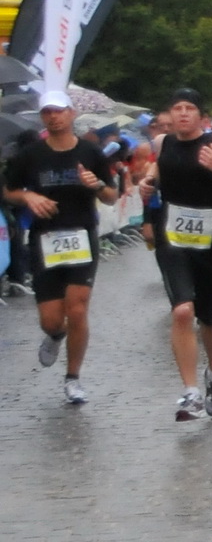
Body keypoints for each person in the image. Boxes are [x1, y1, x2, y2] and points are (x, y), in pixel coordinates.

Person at [140, 88, 212, 419]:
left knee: (209, 316)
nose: (183, 113)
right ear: (170, 115)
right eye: (177, 108)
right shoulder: (163, 144)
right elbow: (155, 171)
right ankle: (190, 392)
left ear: (202, 117)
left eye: (190, 108)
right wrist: (147, 183)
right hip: (172, 240)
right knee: (181, 311)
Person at [2, 91, 118, 405]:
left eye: (59, 111)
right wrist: (28, 197)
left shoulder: (91, 152)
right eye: (47, 112)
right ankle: (55, 335)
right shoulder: (30, 155)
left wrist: (95, 185)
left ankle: (73, 378)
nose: (53, 117)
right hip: (44, 240)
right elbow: (9, 190)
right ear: (42, 117)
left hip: (82, 236)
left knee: (78, 309)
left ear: (71, 113)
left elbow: (111, 196)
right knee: (52, 319)